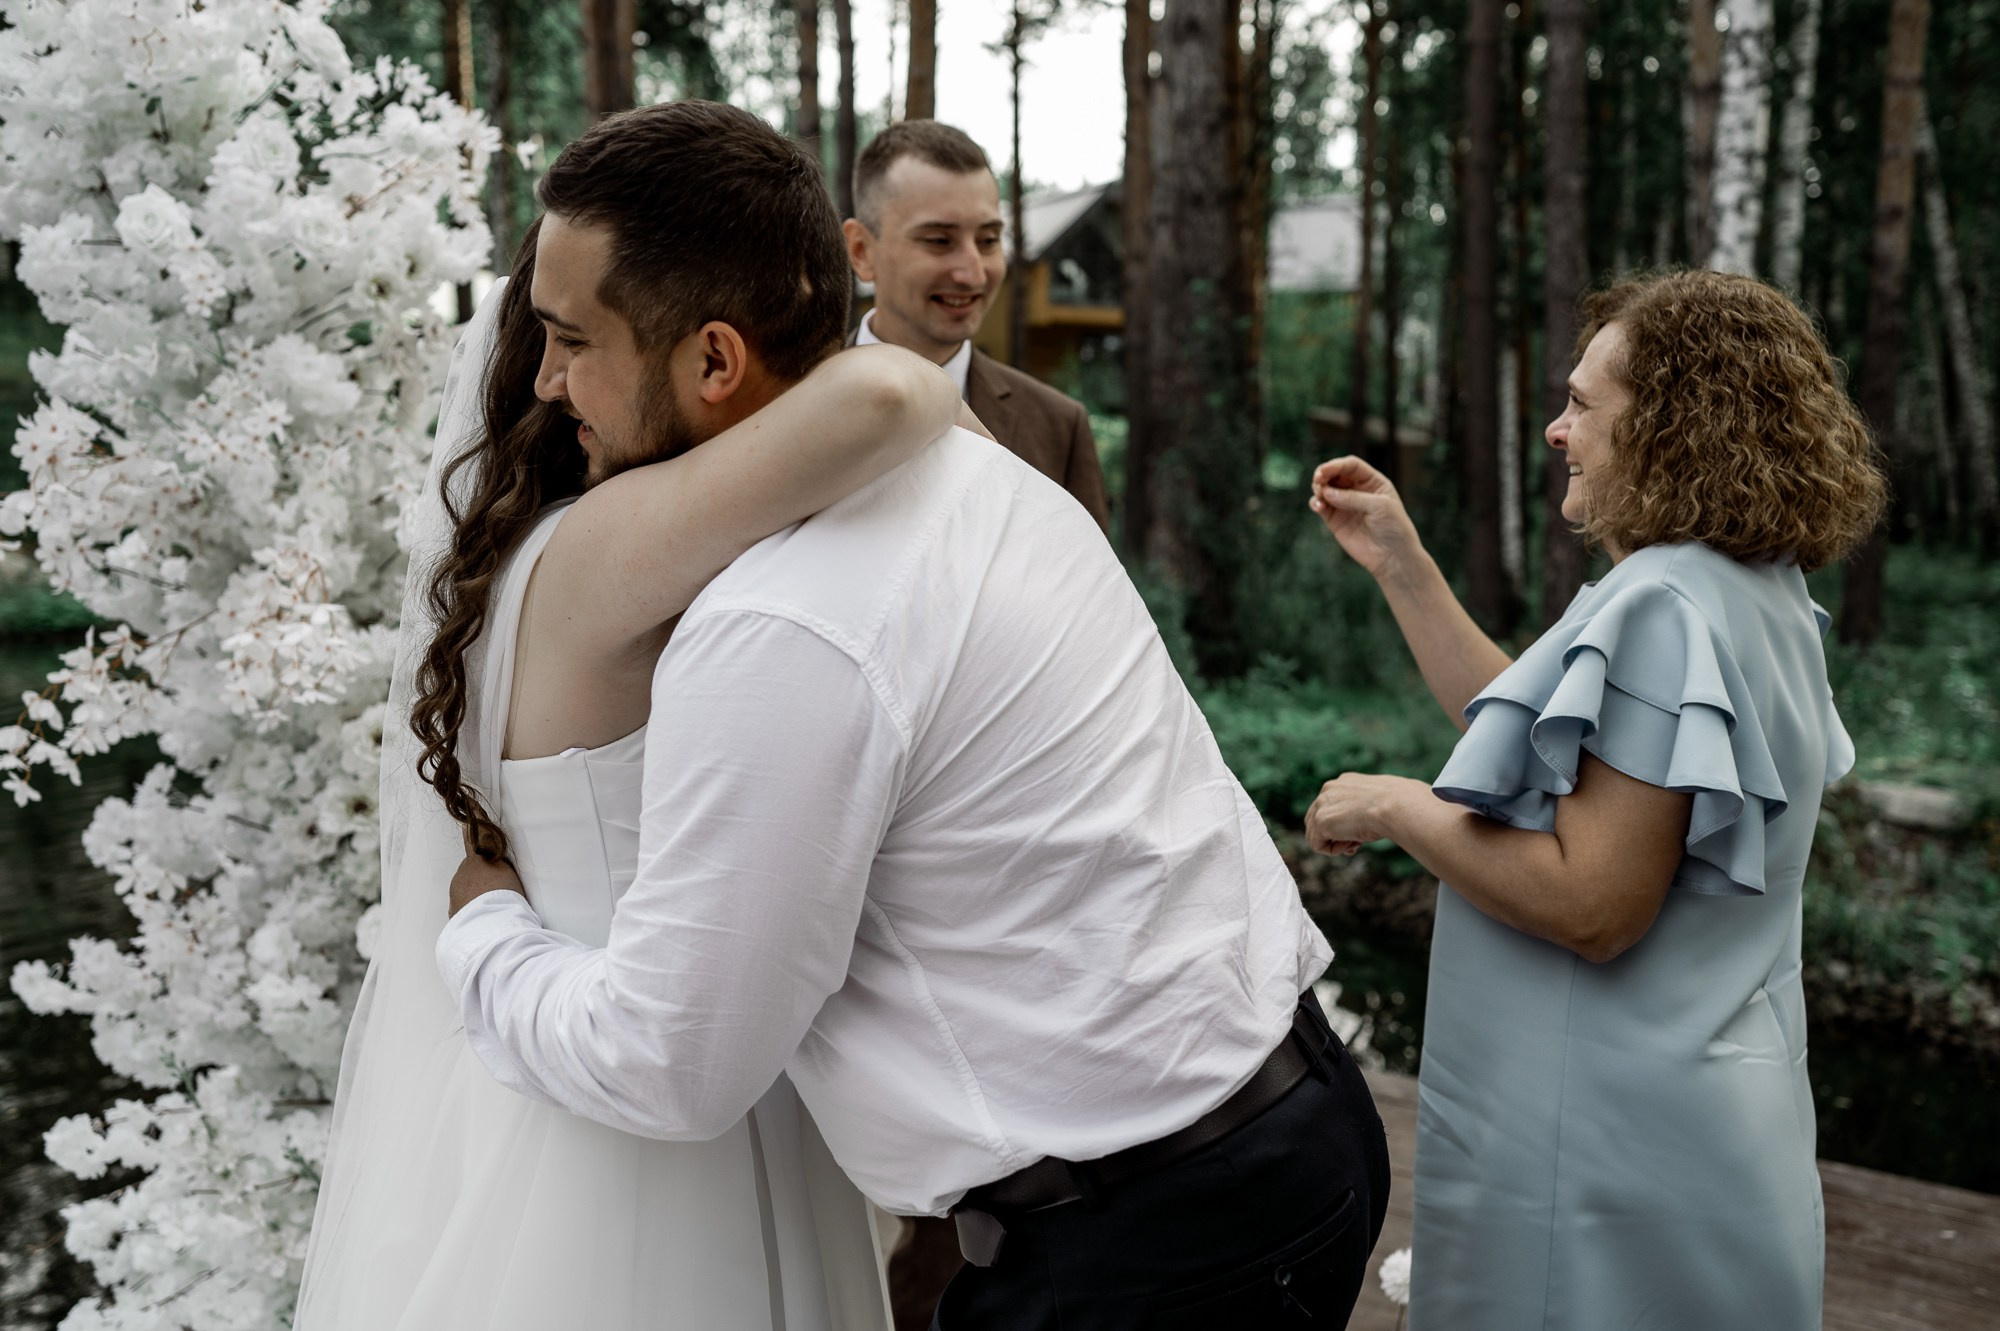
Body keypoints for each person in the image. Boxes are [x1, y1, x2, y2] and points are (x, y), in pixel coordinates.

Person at [437, 111, 1391, 1331]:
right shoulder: (974, 469)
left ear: (715, 361)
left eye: (573, 340)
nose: (541, 378)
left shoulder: (779, 627)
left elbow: (674, 1062)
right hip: (1289, 1120)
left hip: (1150, 1244)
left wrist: (483, 937)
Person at [296, 101, 973, 1331]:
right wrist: (882, 356)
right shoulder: (604, 549)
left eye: (571, 342)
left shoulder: (535, 560)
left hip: (573, 1061)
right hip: (651, 1104)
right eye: (547, 342)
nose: (557, 378)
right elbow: (882, 406)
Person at [1302, 269, 1887, 1330]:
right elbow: (1536, 739)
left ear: (1668, 426)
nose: (1554, 429)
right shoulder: (1752, 588)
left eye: (1582, 404)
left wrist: (1397, 807)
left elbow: (1594, 903)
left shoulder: (1662, 603)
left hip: (1607, 1165)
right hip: (1699, 1134)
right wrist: (1401, 563)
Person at [843, 119, 1112, 534]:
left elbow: (1090, 592)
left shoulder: (1058, 429)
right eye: (938, 241)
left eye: (988, 241)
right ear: (862, 251)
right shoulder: (780, 403)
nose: (973, 274)